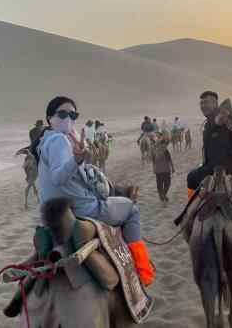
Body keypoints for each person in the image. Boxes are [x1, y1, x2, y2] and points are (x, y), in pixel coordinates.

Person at [36, 96, 155, 286]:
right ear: (50, 118)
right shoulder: (59, 139)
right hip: (80, 208)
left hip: (51, 212)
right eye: (63, 114)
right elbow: (58, 177)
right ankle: (144, 272)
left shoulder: (46, 141)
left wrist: (80, 159)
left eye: (73, 115)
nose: (69, 119)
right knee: (132, 210)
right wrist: (77, 160)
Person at [186, 92, 232, 206]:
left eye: (206, 102)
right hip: (210, 167)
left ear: (215, 104)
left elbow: (231, 116)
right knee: (191, 177)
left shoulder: (224, 118)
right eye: (201, 103)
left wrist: (226, 119)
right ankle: (191, 207)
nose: (203, 106)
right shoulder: (207, 125)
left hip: (229, 167)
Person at [151, 132, 175, 203]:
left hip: (160, 171)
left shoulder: (156, 151)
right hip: (165, 170)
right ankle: (163, 194)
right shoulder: (164, 150)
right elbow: (169, 159)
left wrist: (154, 168)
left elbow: (153, 161)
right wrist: (173, 168)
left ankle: (162, 195)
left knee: (160, 184)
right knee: (167, 183)